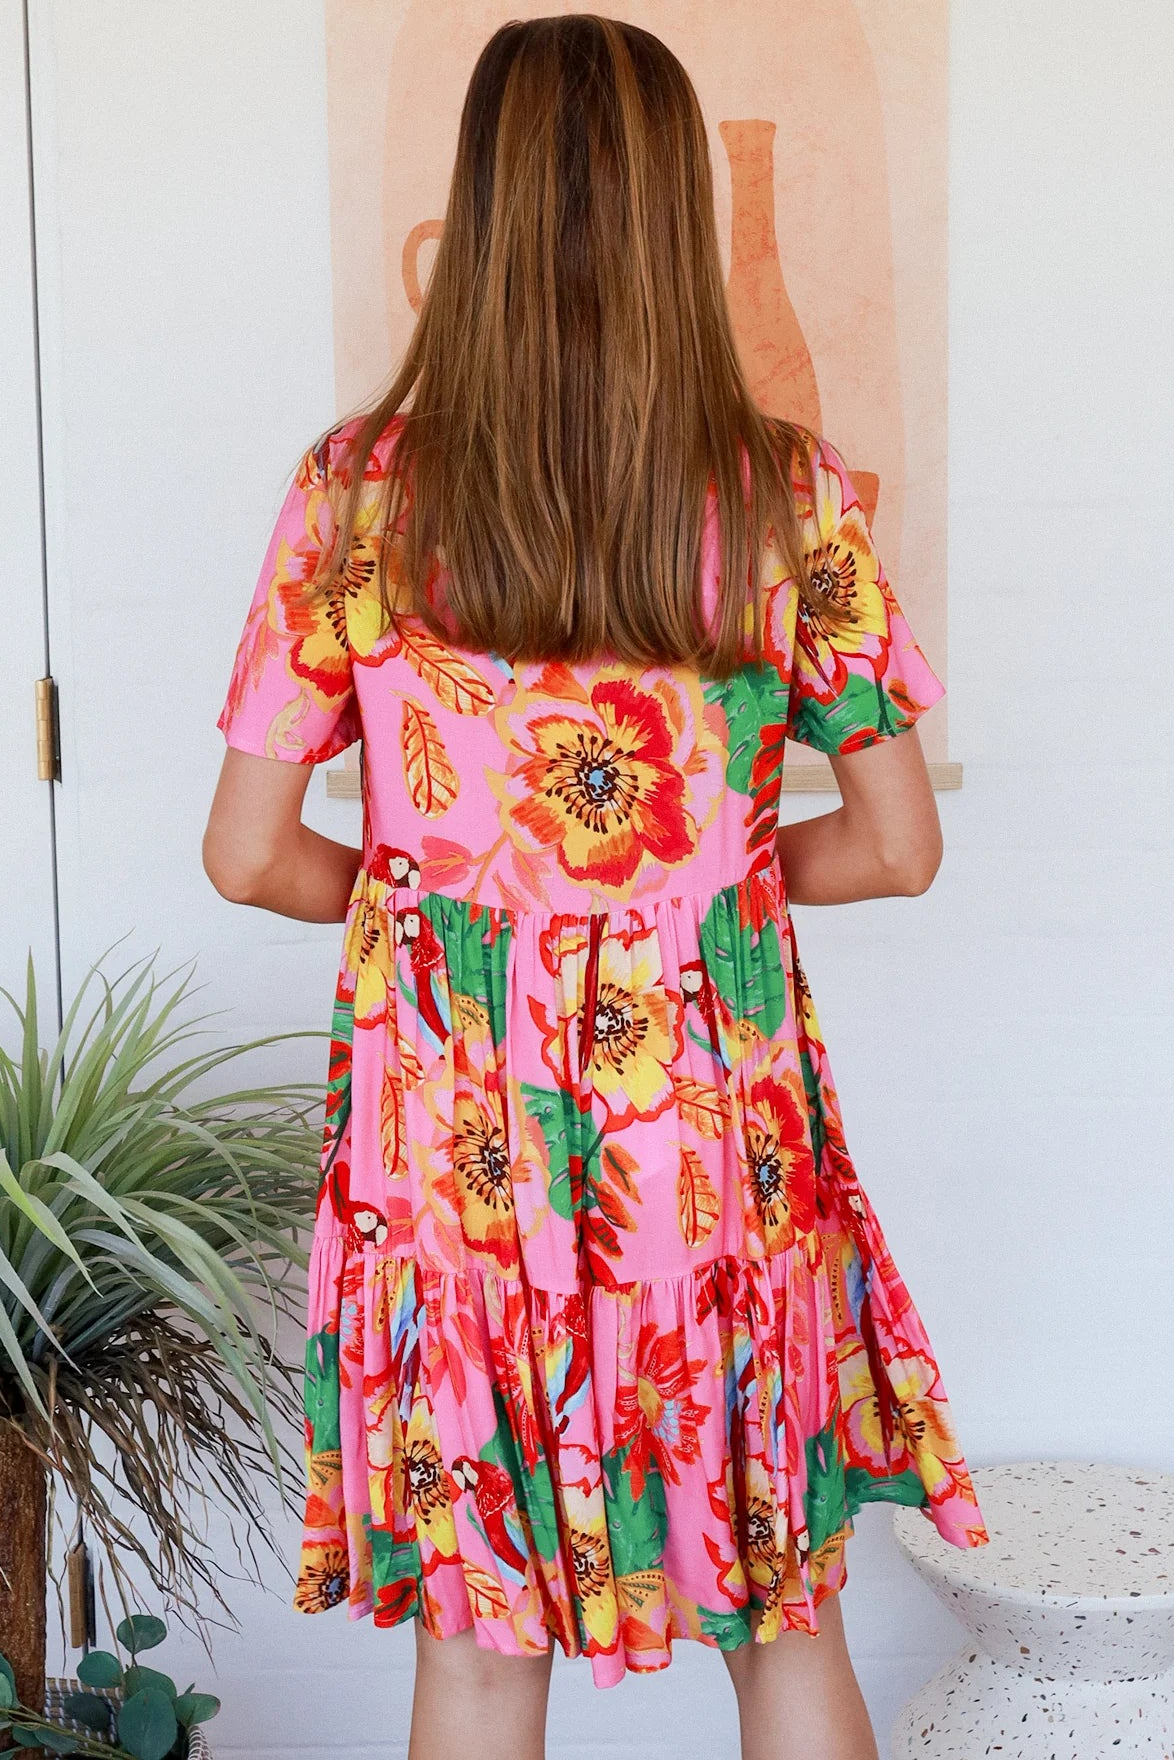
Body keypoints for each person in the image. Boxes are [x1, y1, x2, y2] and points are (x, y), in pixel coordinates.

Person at [203, 15, 988, 1760]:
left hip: (458, 1152)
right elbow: (895, 845)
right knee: (781, 1624)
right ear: (671, 210)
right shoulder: (782, 494)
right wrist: (692, 893)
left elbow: (249, 850)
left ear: (478, 207)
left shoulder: (355, 497)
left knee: (481, 1653)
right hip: (707, 1147)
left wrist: (438, 906)